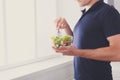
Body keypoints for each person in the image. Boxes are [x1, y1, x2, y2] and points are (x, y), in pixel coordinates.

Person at [53, 0, 120, 80]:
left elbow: (118, 53)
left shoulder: (108, 12)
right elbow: (80, 44)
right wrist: (66, 27)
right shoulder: (86, 13)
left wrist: (77, 52)